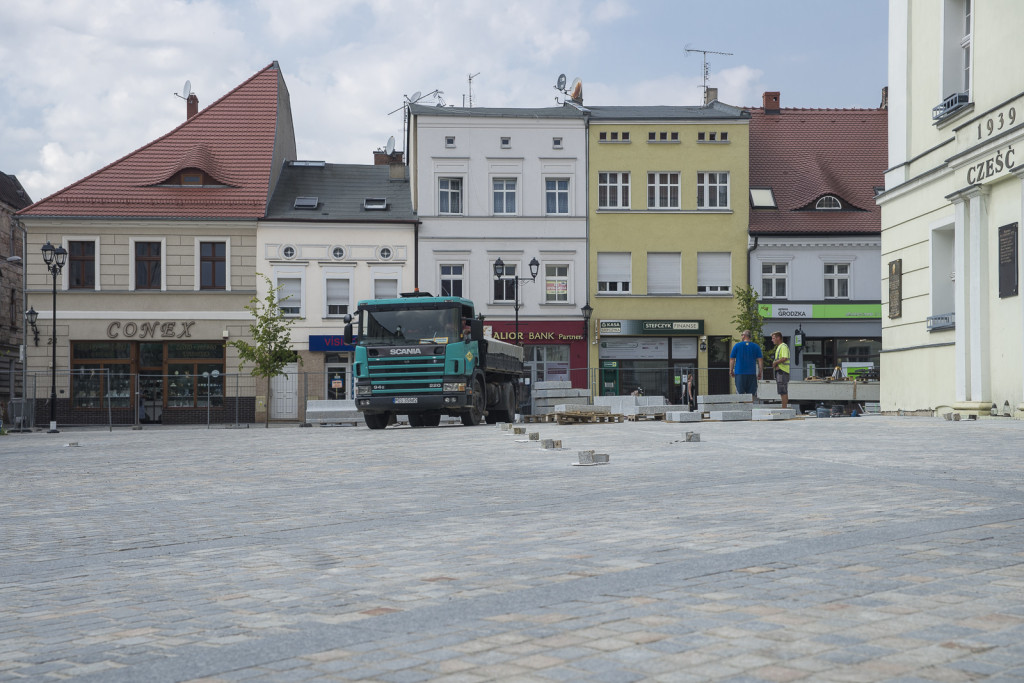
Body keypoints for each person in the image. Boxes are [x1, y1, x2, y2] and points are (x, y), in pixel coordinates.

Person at [729, 330, 763, 399]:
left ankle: (742, 409)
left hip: (739, 373)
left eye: (742, 335)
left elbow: (732, 359)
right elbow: (760, 361)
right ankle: (750, 409)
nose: (741, 336)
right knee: (751, 395)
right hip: (752, 374)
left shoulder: (737, 346)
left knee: (740, 394)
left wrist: (731, 370)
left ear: (744, 336)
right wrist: (760, 372)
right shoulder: (756, 347)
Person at [771, 331, 791, 409]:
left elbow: (784, 358)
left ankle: (784, 409)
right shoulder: (780, 346)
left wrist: (775, 362)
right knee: (782, 391)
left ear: (778, 338)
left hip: (782, 371)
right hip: (781, 371)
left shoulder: (783, 346)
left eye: (773, 338)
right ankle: (784, 408)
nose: (772, 340)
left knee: (783, 391)